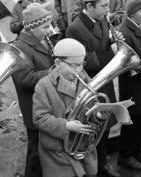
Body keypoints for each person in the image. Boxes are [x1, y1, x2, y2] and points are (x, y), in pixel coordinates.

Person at [66, 0, 124, 177]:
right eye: (103, 6)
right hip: (91, 85)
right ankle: (96, 167)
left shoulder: (101, 19)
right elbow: (80, 61)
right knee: (93, 126)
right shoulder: (75, 28)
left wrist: (114, 42)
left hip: (104, 80)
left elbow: (103, 43)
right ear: (89, 6)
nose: (108, 10)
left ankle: (103, 162)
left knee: (105, 124)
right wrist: (110, 52)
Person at [33, 38, 98, 177]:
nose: (79, 70)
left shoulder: (85, 78)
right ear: (57, 63)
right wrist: (67, 126)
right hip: (57, 150)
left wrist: (98, 114)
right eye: (73, 65)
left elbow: (94, 103)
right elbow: (40, 118)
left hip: (82, 144)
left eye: (81, 64)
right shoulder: (43, 85)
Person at [12, 3, 54, 177]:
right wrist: (53, 71)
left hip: (43, 104)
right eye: (45, 26)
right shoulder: (20, 47)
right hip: (33, 108)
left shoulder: (38, 41)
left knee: (39, 151)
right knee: (37, 154)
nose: (49, 30)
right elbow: (25, 80)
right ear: (31, 27)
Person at [118, 0, 141, 170]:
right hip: (133, 84)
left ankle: (136, 152)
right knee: (133, 122)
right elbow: (131, 61)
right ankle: (125, 155)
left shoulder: (139, 26)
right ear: (133, 13)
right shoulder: (125, 31)